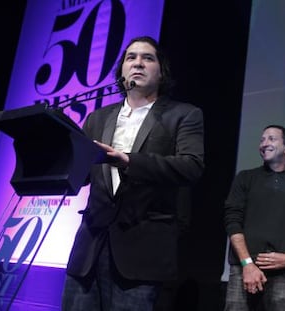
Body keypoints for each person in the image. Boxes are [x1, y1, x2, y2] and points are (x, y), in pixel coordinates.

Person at [61, 36, 205, 311]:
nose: (138, 63)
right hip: (89, 248)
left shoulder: (183, 115)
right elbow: (84, 174)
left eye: (147, 58)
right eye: (131, 57)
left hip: (142, 252)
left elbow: (191, 166)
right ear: (122, 72)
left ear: (161, 72)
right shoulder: (97, 117)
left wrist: (129, 161)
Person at [223, 124, 285, 311]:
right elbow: (232, 221)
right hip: (243, 268)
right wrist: (248, 264)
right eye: (262, 140)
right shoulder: (245, 178)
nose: (264, 143)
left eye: (271, 138)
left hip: (283, 274)